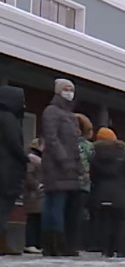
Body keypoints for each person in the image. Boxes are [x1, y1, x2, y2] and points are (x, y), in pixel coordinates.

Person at [40, 79, 82, 257]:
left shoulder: (68, 114)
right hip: (57, 166)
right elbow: (52, 139)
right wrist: (64, 160)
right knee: (56, 204)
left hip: (68, 166)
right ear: (58, 91)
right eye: (66, 89)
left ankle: (55, 244)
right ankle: (55, 244)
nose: (69, 92)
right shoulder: (52, 111)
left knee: (58, 205)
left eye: (71, 89)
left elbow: (72, 142)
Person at [89, 127, 125, 258]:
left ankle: (106, 249)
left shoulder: (96, 155)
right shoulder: (122, 154)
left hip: (101, 192)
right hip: (120, 192)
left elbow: (93, 175)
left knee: (105, 221)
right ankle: (121, 249)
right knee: (121, 221)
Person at [0, 86, 28, 256]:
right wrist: (26, 158)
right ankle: (2, 243)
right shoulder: (9, 118)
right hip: (7, 170)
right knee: (3, 207)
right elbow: (13, 143)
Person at [71, 113, 95, 253]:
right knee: (78, 215)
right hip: (83, 184)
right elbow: (93, 164)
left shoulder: (67, 142)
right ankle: (75, 243)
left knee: (68, 213)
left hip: (66, 182)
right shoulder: (88, 147)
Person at [23, 139, 44, 255]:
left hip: (36, 195)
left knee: (37, 219)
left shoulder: (38, 159)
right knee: (34, 219)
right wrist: (38, 185)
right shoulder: (33, 159)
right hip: (34, 194)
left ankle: (35, 243)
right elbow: (29, 176)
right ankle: (31, 243)